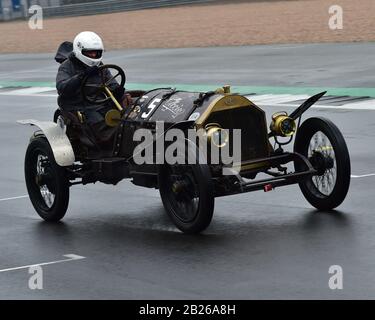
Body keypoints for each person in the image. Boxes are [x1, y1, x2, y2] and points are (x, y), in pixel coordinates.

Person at [56, 31, 130, 144]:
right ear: (79, 50)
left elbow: (112, 83)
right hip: (77, 106)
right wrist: (82, 76)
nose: (94, 56)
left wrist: (118, 91)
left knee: (126, 115)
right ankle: (109, 146)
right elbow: (62, 87)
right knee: (101, 123)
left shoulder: (100, 66)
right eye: (90, 53)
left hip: (98, 104)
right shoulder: (66, 66)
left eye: (97, 53)